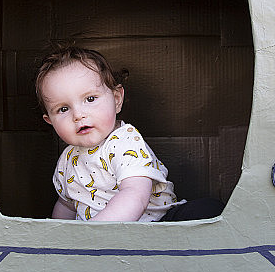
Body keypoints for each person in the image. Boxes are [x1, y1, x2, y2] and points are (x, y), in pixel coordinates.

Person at [35, 46, 224, 222]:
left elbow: (135, 194)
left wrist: (94, 233)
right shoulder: (67, 161)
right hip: (100, 243)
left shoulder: (124, 141)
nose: (78, 115)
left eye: (90, 99)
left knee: (208, 210)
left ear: (116, 99)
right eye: (63, 109)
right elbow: (66, 206)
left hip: (155, 225)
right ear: (50, 120)